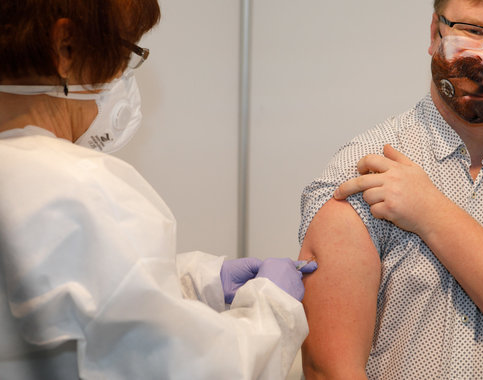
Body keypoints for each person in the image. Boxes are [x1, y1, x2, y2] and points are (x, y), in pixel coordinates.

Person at [0, 1, 317, 379]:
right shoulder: (84, 190)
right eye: (125, 52)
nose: (123, 78)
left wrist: (197, 283)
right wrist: (273, 310)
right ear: (65, 48)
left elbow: (81, 300)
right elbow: (190, 370)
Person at [297, 0, 483, 378]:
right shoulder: (359, 170)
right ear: (434, 33)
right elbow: (330, 370)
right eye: (473, 31)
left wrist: (431, 212)